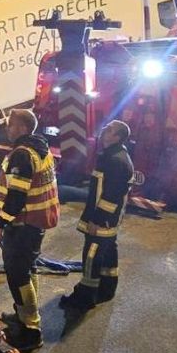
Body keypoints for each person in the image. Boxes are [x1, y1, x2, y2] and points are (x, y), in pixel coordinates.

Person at [0, 109, 59, 353]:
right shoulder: (40, 147)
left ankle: (31, 331)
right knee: (28, 269)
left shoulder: (22, 155)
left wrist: (0, 224)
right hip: (34, 223)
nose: (7, 129)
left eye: (11, 126)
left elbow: (17, 196)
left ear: (21, 128)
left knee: (17, 273)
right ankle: (24, 316)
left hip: (23, 224)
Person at [60, 120, 135, 312]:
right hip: (110, 219)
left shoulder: (115, 160)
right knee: (108, 252)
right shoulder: (115, 156)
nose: (104, 131)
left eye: (109, 130)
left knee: (92, 256)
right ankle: (107, 289)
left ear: (117, 137)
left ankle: (85, 298)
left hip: (102, 221)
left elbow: (110, 195)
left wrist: (97, 220)